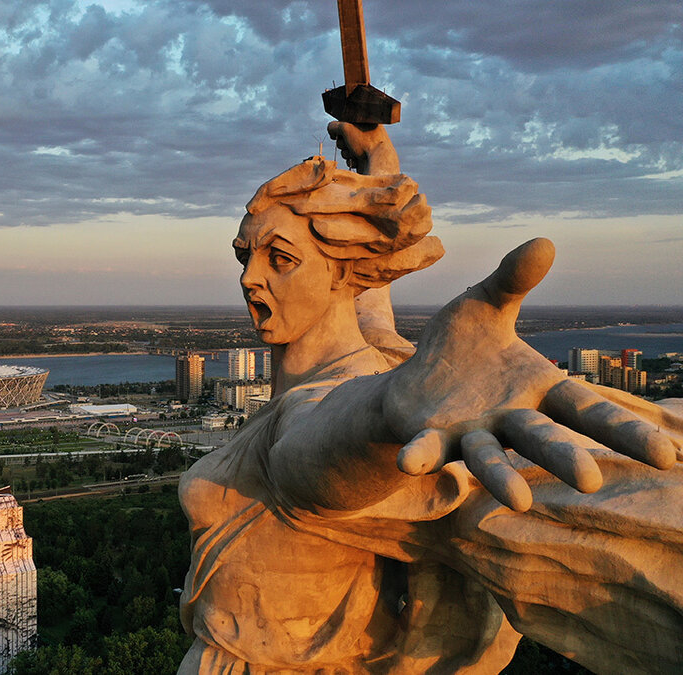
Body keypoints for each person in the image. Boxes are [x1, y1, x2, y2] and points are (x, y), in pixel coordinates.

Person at [177, 124, 683, 674]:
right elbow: (373, 306)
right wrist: (376, 158)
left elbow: (313, 458)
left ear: (341, 273)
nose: (250, 278)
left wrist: (388, 408)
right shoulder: (373, 344)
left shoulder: (332, 401)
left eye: (280, 259)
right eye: (244, 256)